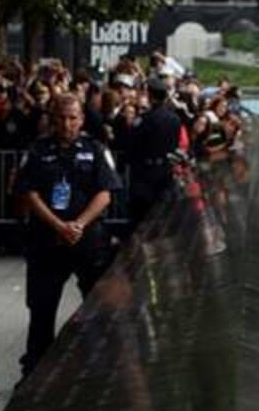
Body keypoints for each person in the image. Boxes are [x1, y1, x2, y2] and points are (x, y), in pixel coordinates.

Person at [12, 94, 119, 380]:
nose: (67, 123)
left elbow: (105, 193)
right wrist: (59, 226)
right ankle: (35, 372)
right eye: (60, 117)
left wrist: (78, 225)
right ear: (50, 118)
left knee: (97, 308)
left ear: (82, 119)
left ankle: (102, 371)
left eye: (73, 118)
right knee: (42, 310)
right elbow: (29, 194)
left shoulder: (95, 149)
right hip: (47, 242)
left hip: (88, 242)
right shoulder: (36, 151)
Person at [126, 77, 182, 228]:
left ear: (150, 96)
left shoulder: (144, 119)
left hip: (145, 174)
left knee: (140, 218)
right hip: (165, 172)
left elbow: (131, 144)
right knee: (161, 219)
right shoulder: (175, 119)